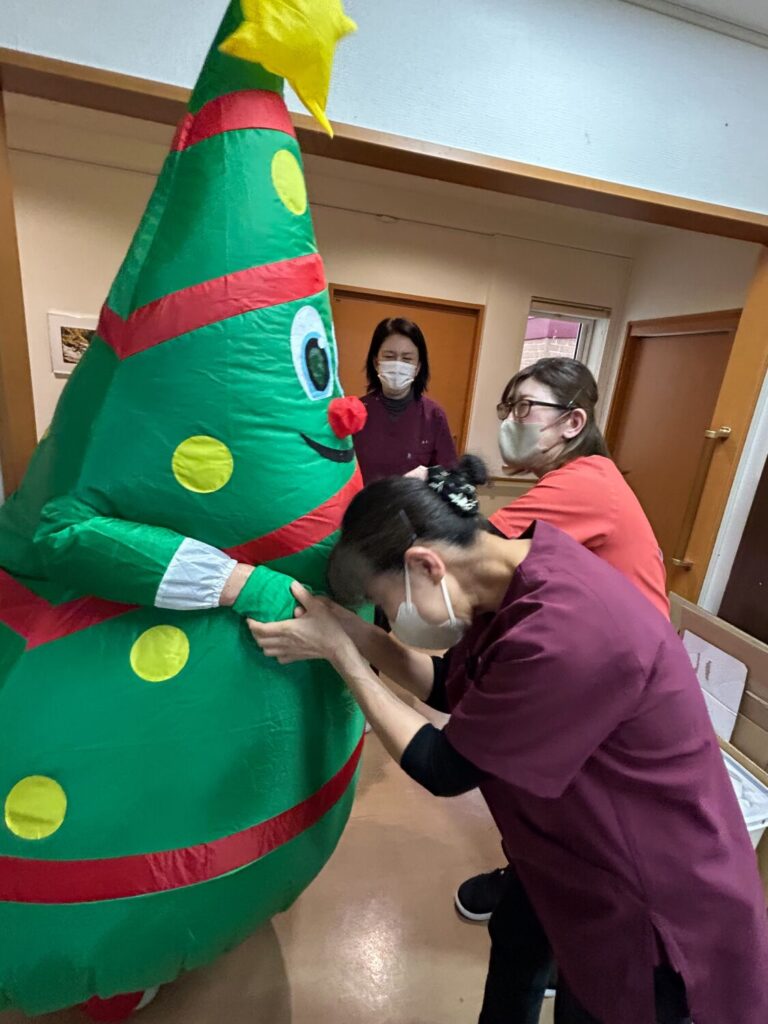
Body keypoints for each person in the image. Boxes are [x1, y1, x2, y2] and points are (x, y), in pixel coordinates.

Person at [249, 459, 768, 1024]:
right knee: (518, 946)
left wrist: (342, 657)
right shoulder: (515, 573)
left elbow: (443, 766)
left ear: (425, 564)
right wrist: (354, 630)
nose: (393, 620)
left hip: (649, 894)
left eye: (388, 604)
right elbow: (451, 686)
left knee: (603, 1003)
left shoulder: (567, 631)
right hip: (562, 850)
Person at [458, 356, 669, 928]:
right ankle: (530, 883)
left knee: (572, 804)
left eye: (525, 407)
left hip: (624, 679)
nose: (511, 420)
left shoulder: (585, 483)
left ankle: (550, 909)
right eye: (508, 407)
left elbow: (473, 552)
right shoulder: (576, 479)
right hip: (609, 661)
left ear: (573, 423)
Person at [352, 317, 457, 483]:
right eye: (389, 356)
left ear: (418, 367)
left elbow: (449, 475)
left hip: (413, 500)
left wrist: (431, 476)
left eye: (407, 359)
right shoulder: (355, 413)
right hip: (364, 500)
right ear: (376, 362)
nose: (397, 365)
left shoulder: (433, 416)